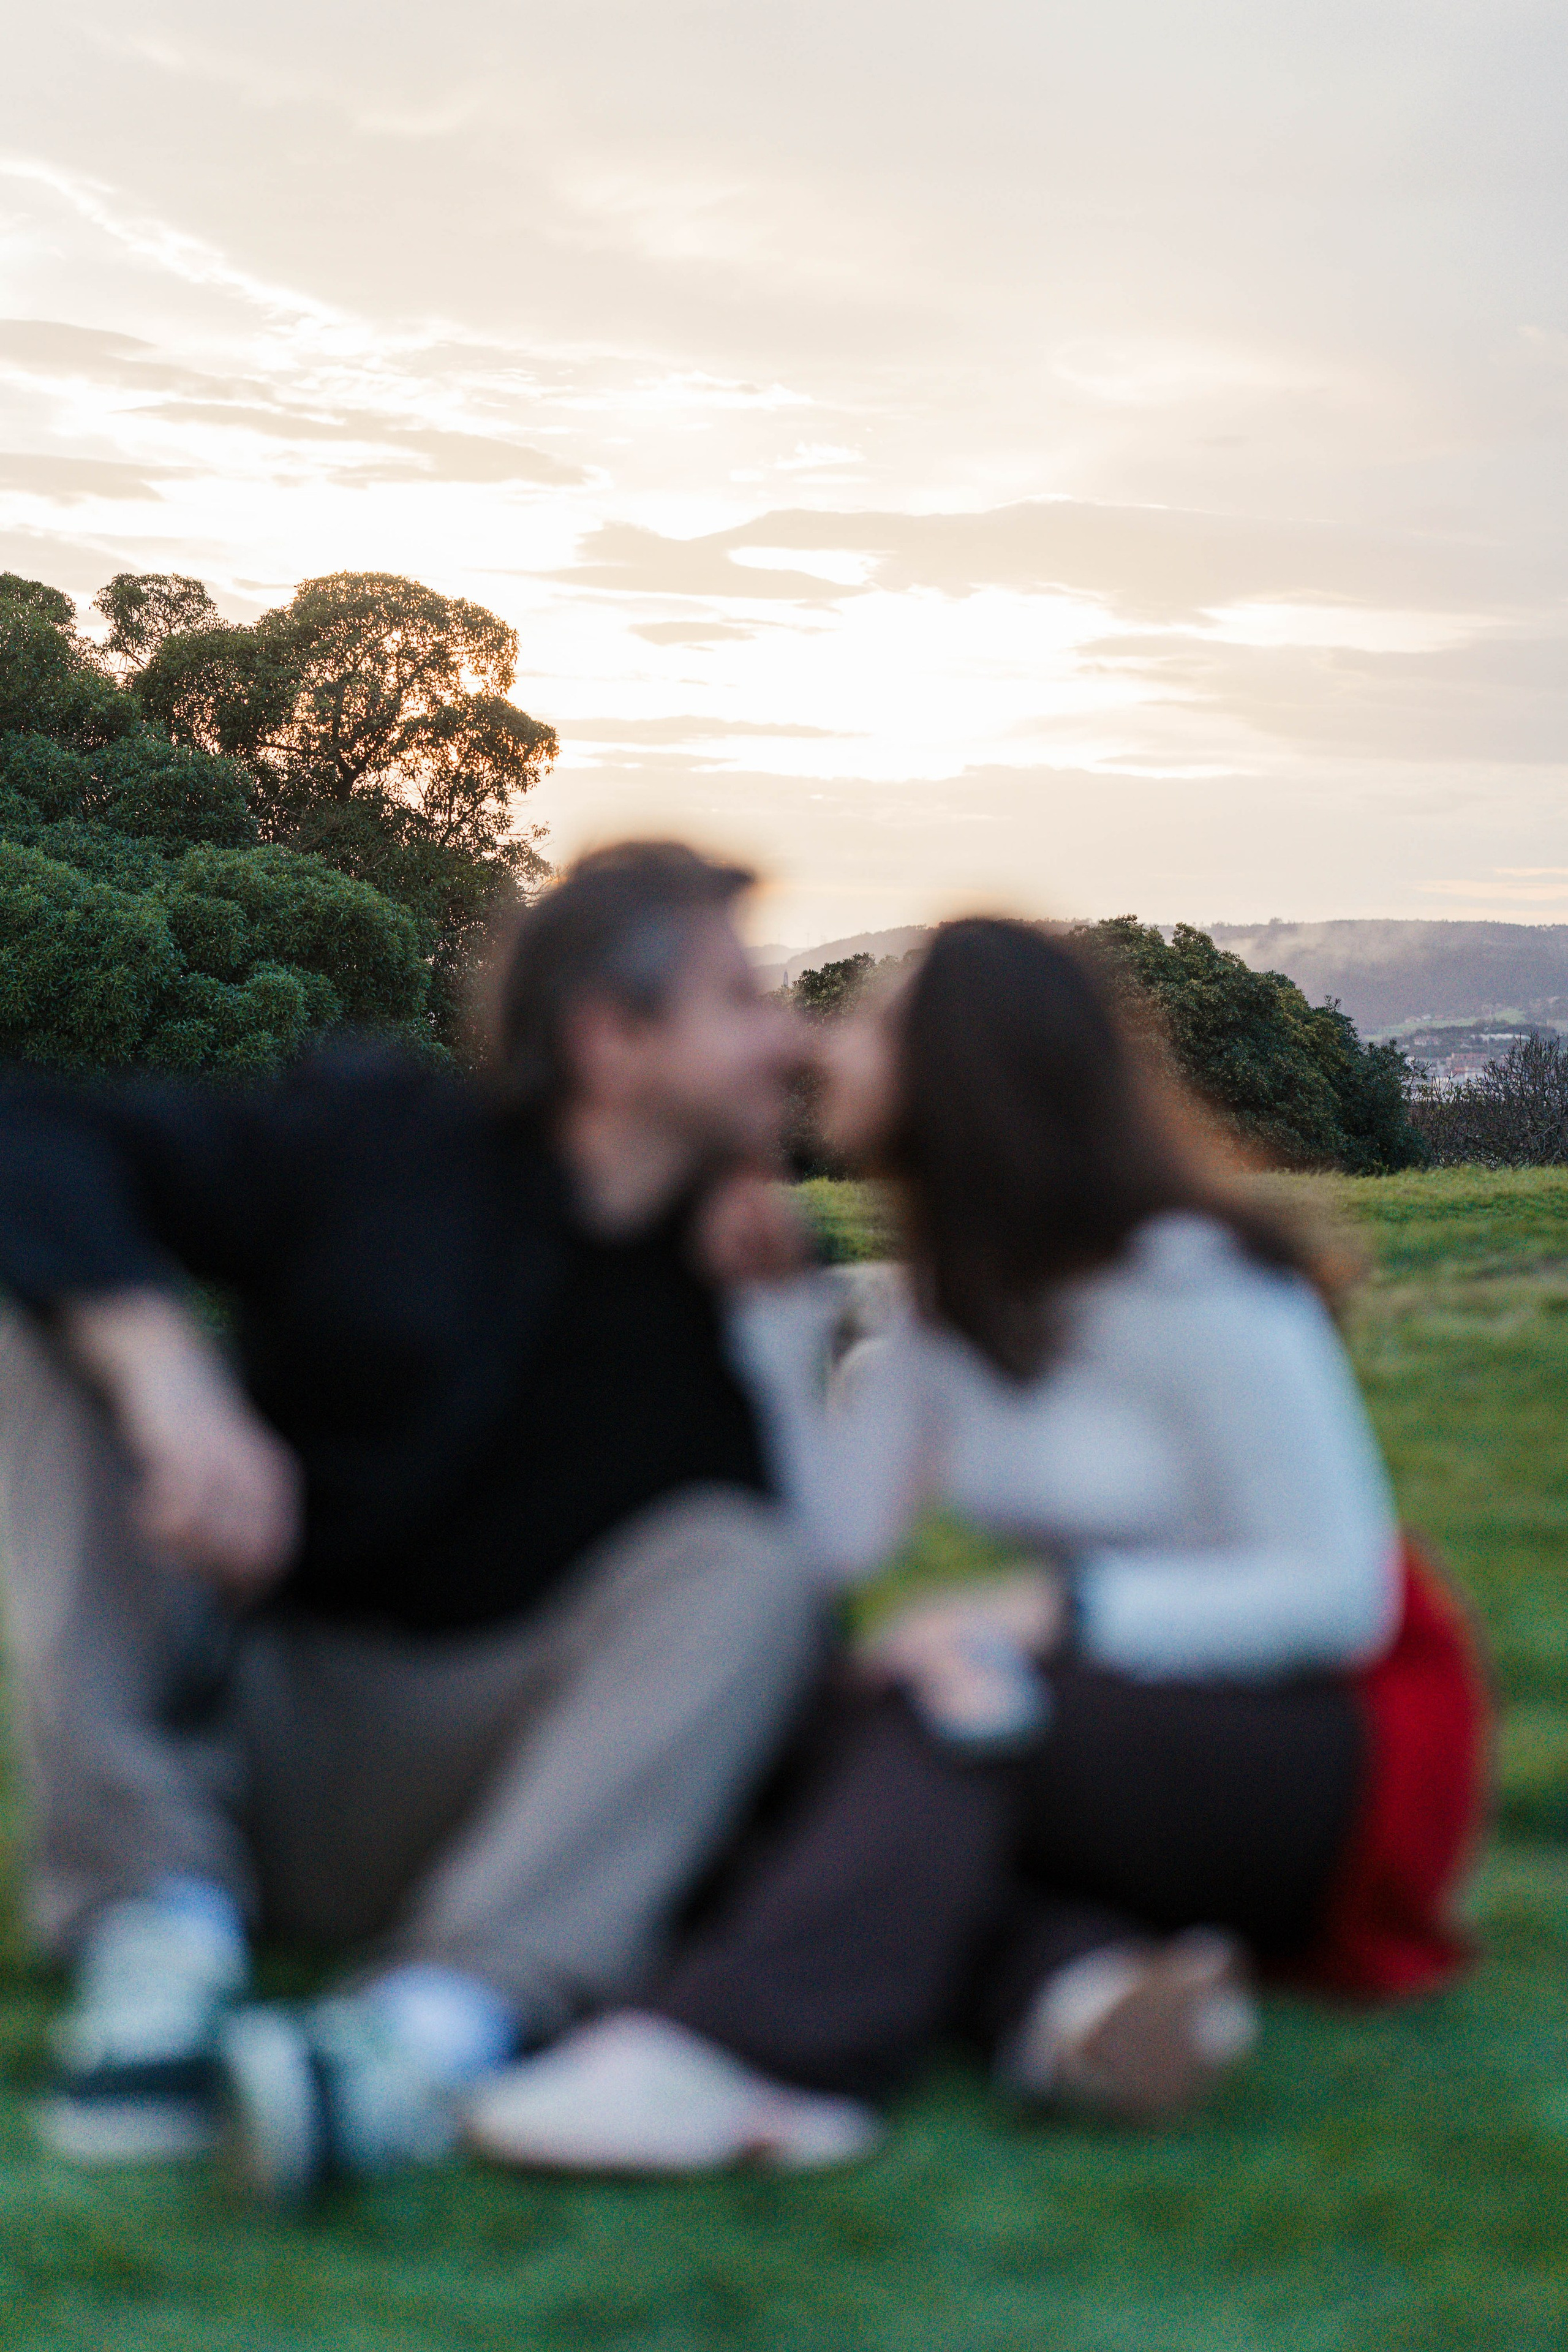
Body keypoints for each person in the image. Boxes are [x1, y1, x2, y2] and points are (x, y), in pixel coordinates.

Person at [466, 916, 1488, 2174]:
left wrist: (1059, 1619)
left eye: (876, 1023)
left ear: (963, 1067)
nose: (828, 1044)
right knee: (772, 1734)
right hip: (1109, 1724)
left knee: (955, 1704)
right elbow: (829, 1549)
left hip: (1335, 1742)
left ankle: (755, 2059)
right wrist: (770, 1322)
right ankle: (1071, 1993)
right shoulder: (953, 1298)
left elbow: (1338, 1597)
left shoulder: (1195, 1281)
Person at [0, 839, 871, 2202]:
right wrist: (163, 1368)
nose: (788, 1041)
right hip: (238, 1734)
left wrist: (766, 1333)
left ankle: (421, 2036)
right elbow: (33, 1133)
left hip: (484, 1810)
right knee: (45, 1321)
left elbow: (789, 1642)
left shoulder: (730, 1282)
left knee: (742, 1568)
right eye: (741, 1001)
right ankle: (154, 1944)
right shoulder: (379, 1142)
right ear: (611, 1037)